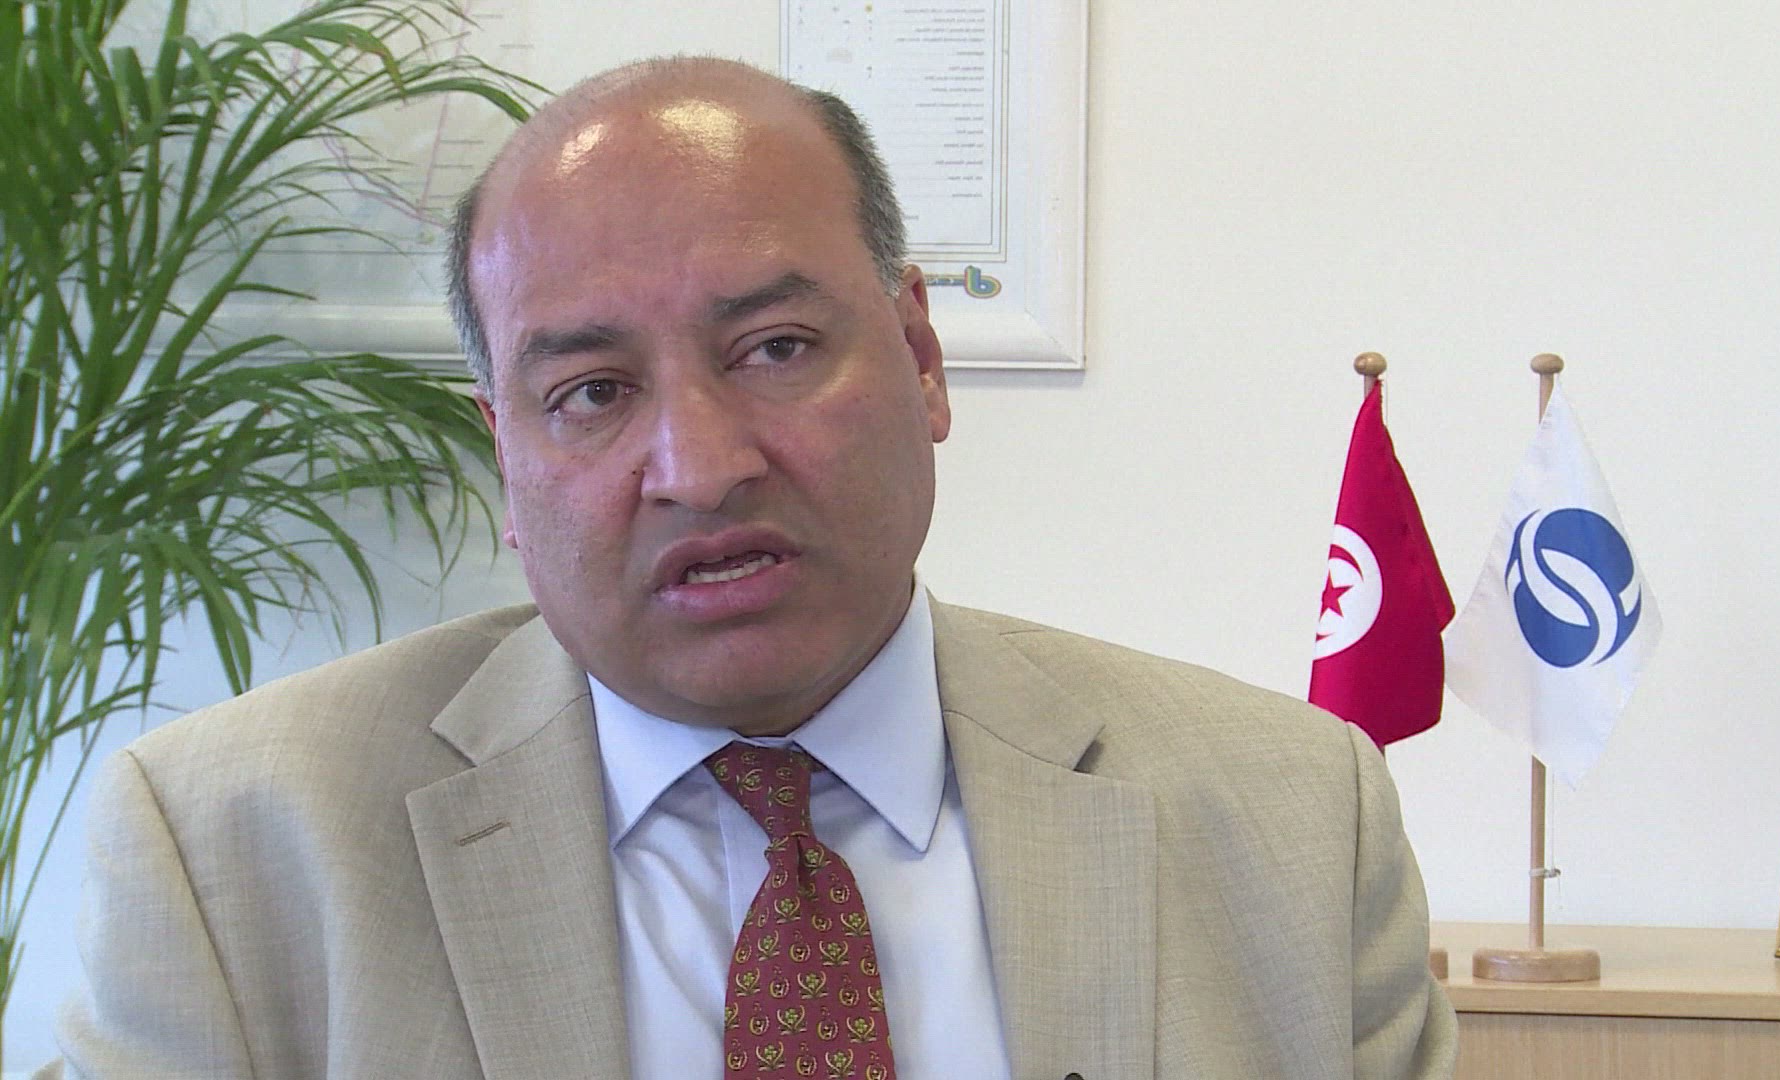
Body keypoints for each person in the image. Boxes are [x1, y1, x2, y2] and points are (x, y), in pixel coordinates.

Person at [41, 58, 1456, 1079]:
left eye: (775, 349)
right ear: (507, 459)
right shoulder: (230, 849)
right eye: (593, 391)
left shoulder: (1289, 818)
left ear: (920, 358)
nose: (702, 464)